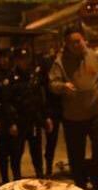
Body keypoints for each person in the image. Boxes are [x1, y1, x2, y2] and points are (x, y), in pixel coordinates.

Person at [49, 27, 98, 190]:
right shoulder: (60, 62)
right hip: (73, 116)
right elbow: (52, 83)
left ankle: (97, 180)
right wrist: (63, 86)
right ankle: (80, 183)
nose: (76, 45)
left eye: (78, 41)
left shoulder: (94, 56)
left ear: (84, 40)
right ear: (66, 44)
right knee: (76, 153)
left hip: (96, 111)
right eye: (72, 43)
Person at [10, 48, 47, 179]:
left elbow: (40, 98)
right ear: (16, 60)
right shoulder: (11, 77)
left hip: (33, 120)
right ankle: (16, 178)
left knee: (36, 151)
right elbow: (8, 101)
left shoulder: (34, 75)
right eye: (21, 59)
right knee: (17, 152)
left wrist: (45, 117)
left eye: (26, 59)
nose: (24, 62)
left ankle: (40, 175)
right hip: (19, 120)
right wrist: (12, 122)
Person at [0, 50, 20, 182]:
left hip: (14, 121)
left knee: (16, 153)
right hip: (1, 121)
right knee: (2, 154)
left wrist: (15, 122)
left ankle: (17, 179)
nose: (5, 60)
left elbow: (18, 100)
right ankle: (5, 180)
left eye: (7, 58)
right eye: (2, 58)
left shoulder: (15, 76)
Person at [40, 47, 62, 177]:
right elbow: (43, 90)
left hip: (66, 105)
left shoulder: (67, 63)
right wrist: (46, 113)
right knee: (51, 139)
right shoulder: (48, 64)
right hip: (52, 107)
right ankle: (48, 168)